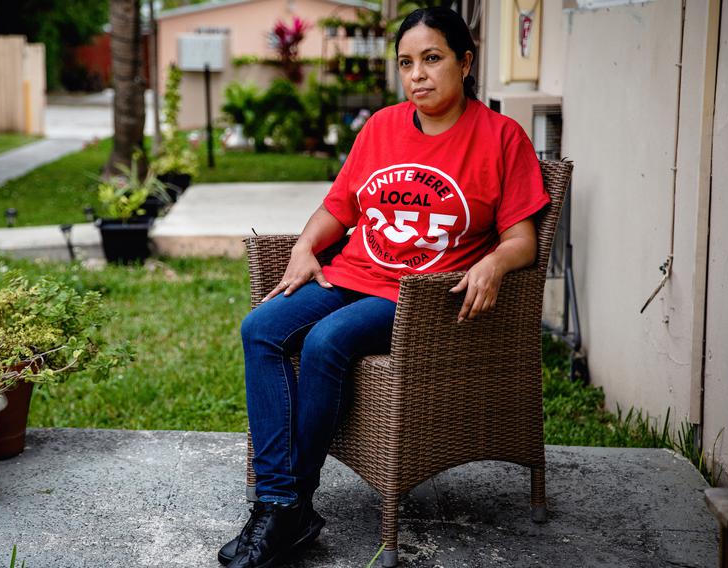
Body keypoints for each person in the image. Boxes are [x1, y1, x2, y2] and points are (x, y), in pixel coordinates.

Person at [219, 7, 550, 568]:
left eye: (432, 58)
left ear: (465, 63)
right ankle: (282, 503)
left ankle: (285, 506)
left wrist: (494, 264)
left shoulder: (501, 138)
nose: (417, 73)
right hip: (352, 272)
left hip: (418, 297)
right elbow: (338, 207)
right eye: (406, 62)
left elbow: (522, 238)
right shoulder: (381, 127)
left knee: (326, 343)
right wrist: (304, 246)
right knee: (261, 328)